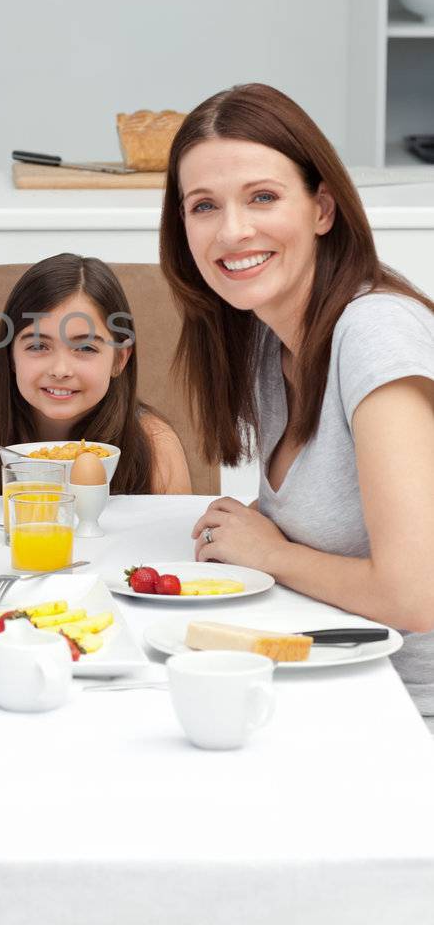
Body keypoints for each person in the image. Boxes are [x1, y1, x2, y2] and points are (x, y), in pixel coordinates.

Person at [160, 82, 434, 724]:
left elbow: (415, 594)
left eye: (262, 197)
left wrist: (271, 553)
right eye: (204, 206)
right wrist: (246, 532)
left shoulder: (374, 331)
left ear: (322, 209)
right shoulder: (266, 336)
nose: (233, 231)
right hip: (332, 677)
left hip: (408, 714)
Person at [0, 253, 191, 495]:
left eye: (85, 347)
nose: (60, 370)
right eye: (38, 346)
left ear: (119, 360)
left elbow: (179, 546)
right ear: (11, 358)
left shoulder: (154, 443)